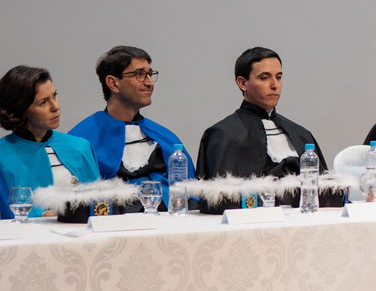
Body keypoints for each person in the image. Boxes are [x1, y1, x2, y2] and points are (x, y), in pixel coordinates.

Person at [196, 47, 337, 212]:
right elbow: (218, 203)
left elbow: (326, 195)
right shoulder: (223, 135)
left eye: (279, 77)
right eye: (264, 78)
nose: (274, 85)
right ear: (242, 83)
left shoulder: (301, 134)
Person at [69, 47, 194, 201]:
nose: (149, 83)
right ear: (113, 83)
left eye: (150, 74)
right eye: (139, 74)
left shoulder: (166, 137)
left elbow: (190, 193)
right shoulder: (81, 139)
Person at [0, 66, 100, 219]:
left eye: (55, 96)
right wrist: (44, 215)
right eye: (43, 103)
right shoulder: (3, 154)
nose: (56, 107)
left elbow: (99, 205)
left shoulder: (81, 147)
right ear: (21, 109)